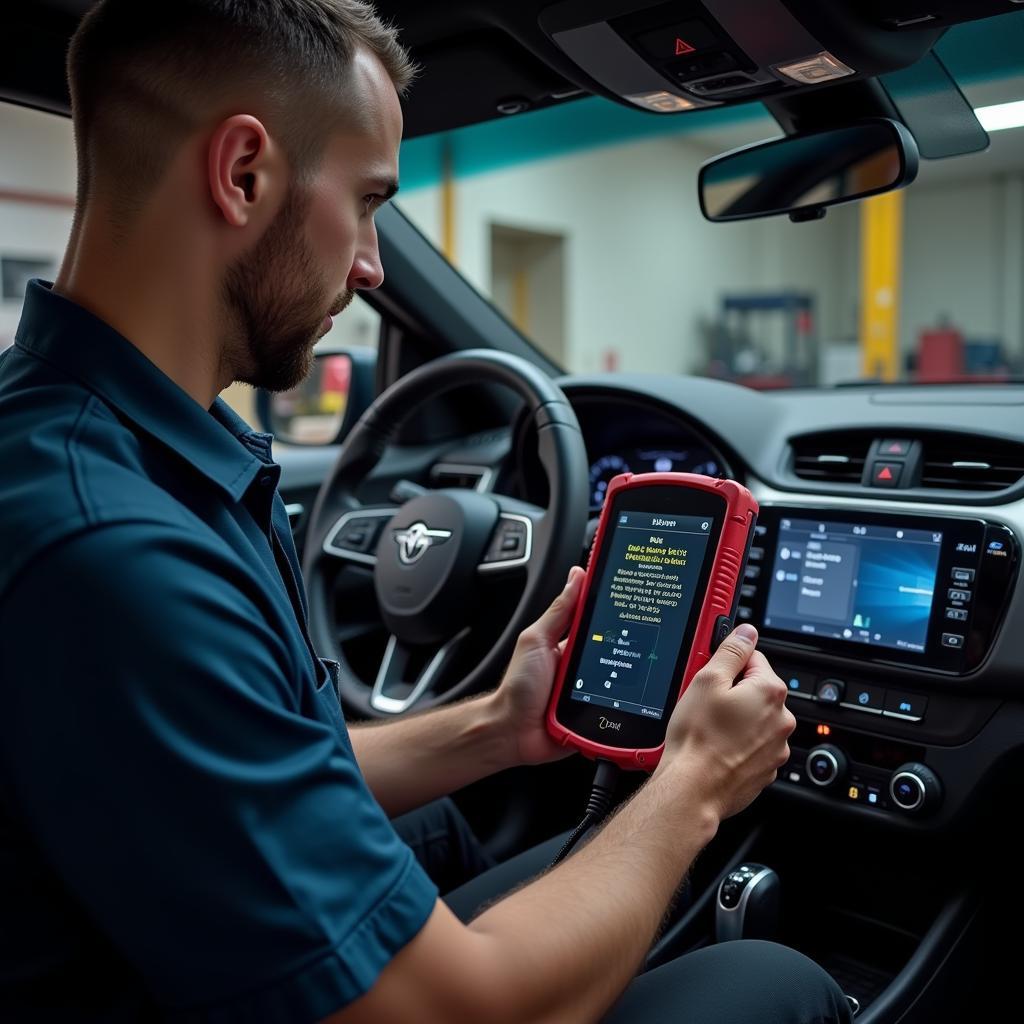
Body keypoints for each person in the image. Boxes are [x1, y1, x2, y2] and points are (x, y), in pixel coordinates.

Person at [0, 2, 851, 1021]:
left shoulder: (82, 447)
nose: (370, 264)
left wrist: (497, 725)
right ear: (242, 174)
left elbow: (252, 760)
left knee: (447, 825)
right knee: (772, 981)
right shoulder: (116, 551)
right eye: (366, 202)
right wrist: (697, 783)